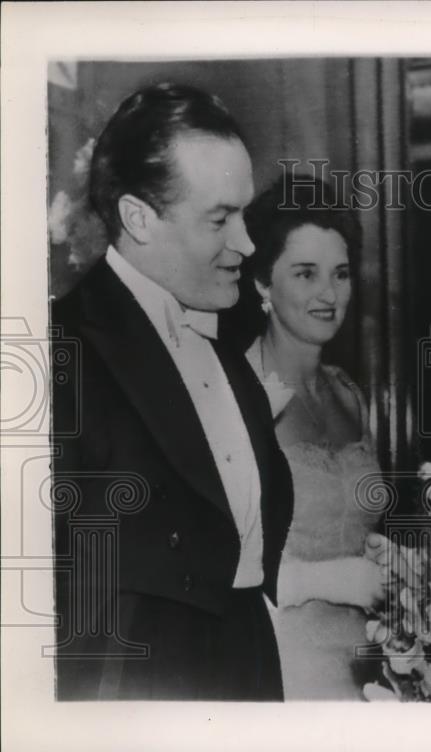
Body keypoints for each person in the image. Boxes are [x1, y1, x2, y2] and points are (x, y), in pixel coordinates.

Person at [50, 83, 293, 700]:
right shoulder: (58, 353)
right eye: (220, 219)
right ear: (138, 219)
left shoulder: (224, 344)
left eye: (244, 213)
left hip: (249, 664)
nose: (246, 243)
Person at [236, 176, 384, 699]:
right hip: (280, 667)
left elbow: (353, 523)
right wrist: (335, 580)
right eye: (306, 274)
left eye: (340, 274)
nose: (329, 293)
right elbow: (218, 557)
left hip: (368, 661)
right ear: (261, 283)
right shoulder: (238, 392)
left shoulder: (348, 394)